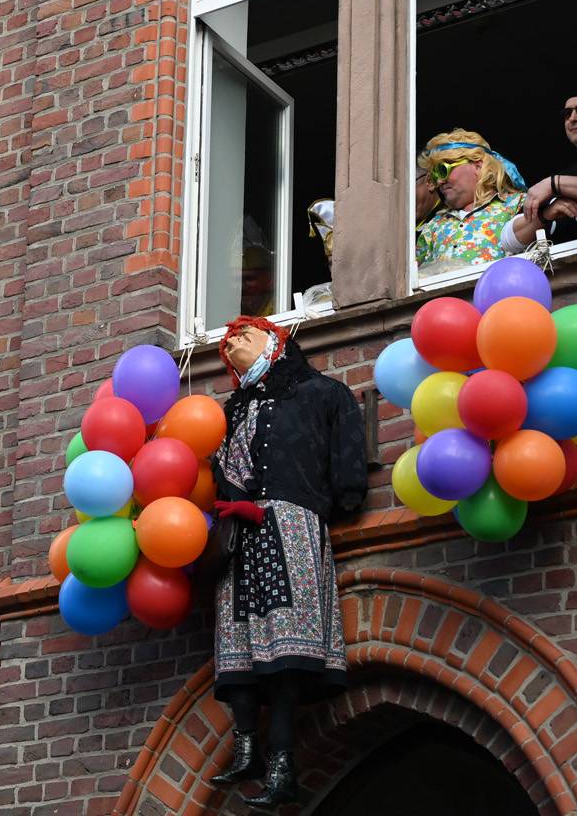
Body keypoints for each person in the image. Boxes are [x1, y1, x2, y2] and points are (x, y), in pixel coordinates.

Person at [207, 316, 367, 809]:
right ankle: (248, 747)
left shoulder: (323, 393)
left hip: (291, 526)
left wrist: (339, 500)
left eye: (243, 334)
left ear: (275, 341)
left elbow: (346, 467)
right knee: (237, 641)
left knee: (288, 646)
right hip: (239, 536)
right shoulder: (234, 410)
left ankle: (281, 763)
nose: (231, 342)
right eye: (226, 341)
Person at [413, 129, 526, 273]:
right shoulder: (433, 226)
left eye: (443, 170)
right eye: (435, 176)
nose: (440, 181)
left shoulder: (517, 204)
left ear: (478, 166)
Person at [502, 94, 577, 252]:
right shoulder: (566, 173)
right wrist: (546, 215)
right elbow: (508, 241)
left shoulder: (555, 183)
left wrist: (553, 184)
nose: (572, 118)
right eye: (567, 113)